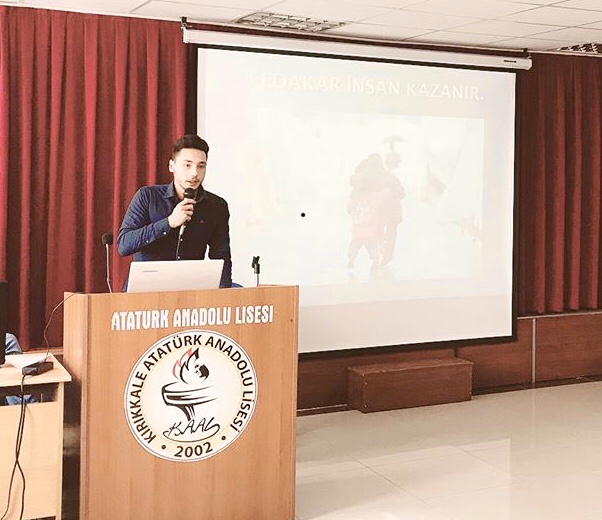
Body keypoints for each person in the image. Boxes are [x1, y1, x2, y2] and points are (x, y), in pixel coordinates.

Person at [117, 134, 232, 288]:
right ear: (172, 166)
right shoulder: (148, 196)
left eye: (201, 166)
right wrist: (168, 223)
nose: (194, 173)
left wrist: (224, 296)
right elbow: (124, 245)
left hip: (190, 291)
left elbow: (222, 257)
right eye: (187, 165)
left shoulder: (216, 206)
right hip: (146, 290)